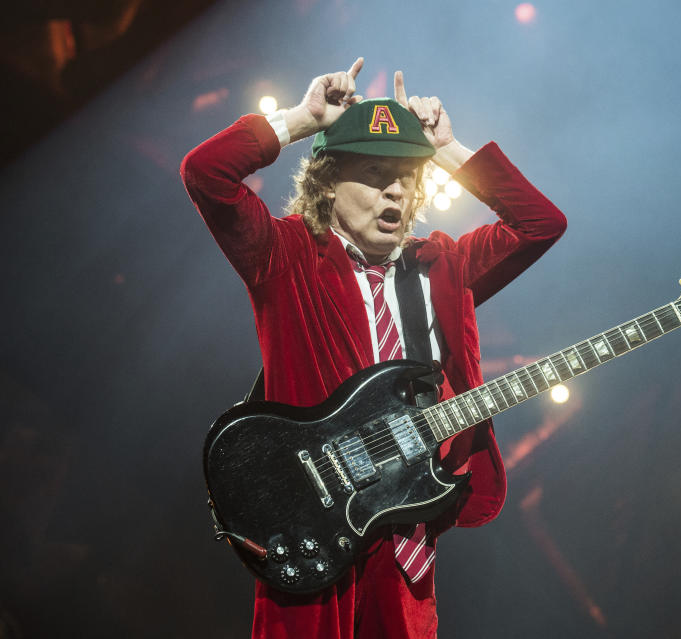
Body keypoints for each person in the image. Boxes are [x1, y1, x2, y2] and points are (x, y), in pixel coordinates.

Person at [181, 57, 566, 639]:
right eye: (375, 171)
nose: (395, 188)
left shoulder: (441, 266)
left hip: (406, 539)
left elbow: (541, 223)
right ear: (328, 182)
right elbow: (204, 172)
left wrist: (447, 148)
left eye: (407, 175)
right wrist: (300, 120)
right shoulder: (286, 256)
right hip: (308, 534)